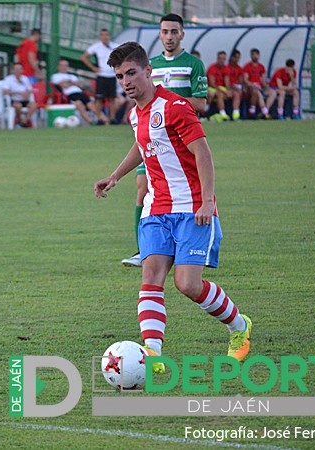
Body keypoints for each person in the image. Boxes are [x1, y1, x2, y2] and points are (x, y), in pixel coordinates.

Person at [94, 41, 252, 371]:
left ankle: (239, 328)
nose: (126, 82)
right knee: (150, 277)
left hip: (192, 207)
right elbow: (142, 145)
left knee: (187, 285)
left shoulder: (176, 106)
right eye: (120, 76)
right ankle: (152, 355)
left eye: (132, 73)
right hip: (156, 209)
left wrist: (207, 201)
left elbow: (203, 153)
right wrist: (115, 176)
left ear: (148, 71)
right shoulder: (136, 114)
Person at [122, 13, 207, 268]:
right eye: (164, 32)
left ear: (182, 34)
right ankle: (144, 250)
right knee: (142, 189)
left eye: (174, 32)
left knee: (182, 187)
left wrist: (169, 104)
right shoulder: (150, 63)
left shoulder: (193, 64)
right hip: (151, 137)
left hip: (179, 136)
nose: (169, 36)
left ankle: (184, 245)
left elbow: (201, 103)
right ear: (159, 34)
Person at [81, 29, 118, 125]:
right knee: (99, 99)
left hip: (112, 75)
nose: (105, 37)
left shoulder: (114, 46)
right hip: (102, 75)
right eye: (102, 35)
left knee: (112, 98)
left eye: (106, 35)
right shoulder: (96, 47)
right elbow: (84, 57)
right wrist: (94, 68)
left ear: (109, 36)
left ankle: (112, 118)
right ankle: (99, 118)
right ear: (100, 37)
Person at [50, 59, 97, 125]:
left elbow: (80, 85)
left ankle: (104, 120)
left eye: (65, 65)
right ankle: (90, 121)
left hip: (80, 93)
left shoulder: (72, 76)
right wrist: (73, 83)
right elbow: (64, 85)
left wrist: (68, 82)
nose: (64, 67)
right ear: (58, 67)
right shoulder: (56, 76)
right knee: (79, 103)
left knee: (91, 105)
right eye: (62, 65)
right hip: (69, 95)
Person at [0, 63, 38, 128]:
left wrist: (27, 94)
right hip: (14, 100)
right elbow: (4, 91)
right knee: (18, 106)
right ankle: (19, 120)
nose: (18, 71)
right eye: (16, 69)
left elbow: (30, 89)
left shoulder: (25, 78)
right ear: (13, 71)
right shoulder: (8, 79)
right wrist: (18, 92)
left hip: (25, 100)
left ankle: (24, 121)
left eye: (20, 69)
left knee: (34, 105)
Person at [242, 48, 269, 118]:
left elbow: (263, 80)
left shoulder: (261, 67)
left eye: (256, 54)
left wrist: (265, 87)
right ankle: (261, 111)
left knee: (273, 93)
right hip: (250, 88)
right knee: (256, 91)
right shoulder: (247, 66)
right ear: (250, 56)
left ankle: (265, 110)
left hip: (259, 88)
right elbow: (245, 80)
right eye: (253, 55)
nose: (255, 56)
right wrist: (253, 84)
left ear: (259, 55)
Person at [206, 51, 229, 122]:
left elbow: (227, 83)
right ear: (217, 59)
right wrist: (223, 91)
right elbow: (212, 83)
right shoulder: (212, 68)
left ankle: (236, 113)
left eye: (223, 59)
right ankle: (222, 113)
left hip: (221, 88)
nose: (221, 60)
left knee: (236, 93)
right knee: (219, 94)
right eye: (220, 58)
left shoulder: (226, 68)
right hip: (211, 88)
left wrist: (228, 91)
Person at [223, 49, 244, 121]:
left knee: (239, 92)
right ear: (232, 57)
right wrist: (234, 87)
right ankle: (235, 114)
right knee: (236, 94)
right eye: (236, 57)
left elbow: (241, 82)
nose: (237, 59)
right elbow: (227, 83)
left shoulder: (240, 68)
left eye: (238, 57)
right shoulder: (227, 68)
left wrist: (240, 87)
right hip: (228, 89)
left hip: (236, 89)